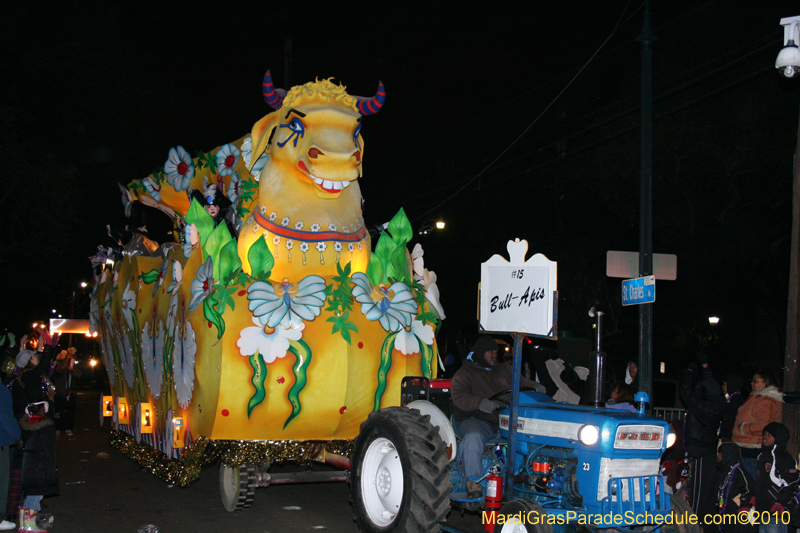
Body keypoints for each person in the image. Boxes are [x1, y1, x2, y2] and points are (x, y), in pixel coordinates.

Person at [451, 336, 545, 500]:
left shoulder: (504, 369)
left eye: (495, 351)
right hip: (475, 418)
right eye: (490, 352)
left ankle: (523, 478)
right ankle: (473, 482)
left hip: (503, 420)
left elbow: (521, 382)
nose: (494, 355)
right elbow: (459, 397)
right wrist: (479, 403)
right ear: (480, 353)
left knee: (528, 438)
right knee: (473, 438)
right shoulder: (464, 373)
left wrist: (534, 386)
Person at [679, 353, 725, 531]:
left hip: (699, 452)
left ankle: (694, 528)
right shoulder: (719, 402)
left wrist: (690, 370)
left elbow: (685, 389)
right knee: (708, 498)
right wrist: (705, 367)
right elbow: (711, 386)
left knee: (697, 498)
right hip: (710, 451)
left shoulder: (700, 406)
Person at [733, 370, 783, 481]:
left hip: (754, 450)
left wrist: (744, 428)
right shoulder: (758, 398)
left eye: (755, 381)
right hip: (747, 449)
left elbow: (764, 426)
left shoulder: (766, 401)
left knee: (753, 483)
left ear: (765, 383)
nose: (752, 383)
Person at [18, 402, 56, 532]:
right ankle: (29, 526)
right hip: (40, 465)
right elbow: (48, 451)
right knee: (35, 496)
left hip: (28, 464)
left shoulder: (27, 424)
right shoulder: (45, 427)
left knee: (30, 494)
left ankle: (24, 525)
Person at [755, 422, 798, 533]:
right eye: (765, 434)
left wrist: (780, 503)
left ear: (778, 438)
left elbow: (791, 483)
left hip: (776, 513)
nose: (765, 437)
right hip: (762, 511)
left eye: (769, 435)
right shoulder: (762, 456)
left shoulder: (783, 458)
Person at [714, 438, 756, 533]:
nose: (718, 456)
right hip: (726, 517)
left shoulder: (740, 472)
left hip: (739, 518)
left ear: (727, 455)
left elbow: (750, 490)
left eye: (720, 454)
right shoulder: (722, 472)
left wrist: (744, 507)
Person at [0, 371, 20, 531]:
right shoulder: (2, 391)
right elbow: (5, 418)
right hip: (1, 441)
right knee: (2, 480)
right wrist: (18, 435)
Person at [52, 348, 81, 437]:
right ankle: (58, 428)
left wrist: (72, 369)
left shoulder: (73, 366)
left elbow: (78, 375)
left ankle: (68, 428)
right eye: (67, 356)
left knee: (70, 412)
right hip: (60, 392)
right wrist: (65, 365)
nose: (69, 358)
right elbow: (57, 374)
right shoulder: (60, 366)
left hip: (70, 392)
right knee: (58, 411)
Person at [720, 373, 745, 439]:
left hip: (730, 437)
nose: (722, 387)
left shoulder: (736, 400)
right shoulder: (730, 398)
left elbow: (729, 421)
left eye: (724, 385)